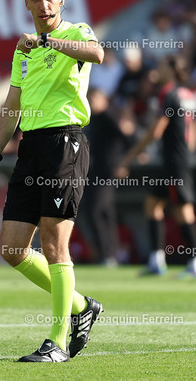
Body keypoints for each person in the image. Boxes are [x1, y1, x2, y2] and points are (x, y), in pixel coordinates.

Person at [0, 0, 104, 363]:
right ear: (27, 4)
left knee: (54, 244)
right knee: (12, 249)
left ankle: (58, 342)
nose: (44, 4)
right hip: (30, 147)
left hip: (65, 142)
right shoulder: (23, 50)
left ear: (61, 0)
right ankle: (82, 306)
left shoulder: (77, 32)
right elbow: (12, 104)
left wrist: (48, 41)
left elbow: (97, 54)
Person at [116, 55, 196, 279]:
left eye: (162, 66)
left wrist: (128, 158)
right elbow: (192, 131)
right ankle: (156, 260)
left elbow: (155, 132)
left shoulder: (168, 93)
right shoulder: (188, 94)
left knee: (183, 211)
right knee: (152, 204)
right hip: (180, 159)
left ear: (172, 70)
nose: (158, 70)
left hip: (174, 162)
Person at [81, 89, 128, 266]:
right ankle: (109, 253)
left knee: (95, 209)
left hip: (107, 172)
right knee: (105, 211)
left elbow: (125, 138)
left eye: (95, 98)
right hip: (95, 171)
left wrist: (122, 163)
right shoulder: (92, 119)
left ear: (104, 100)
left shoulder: (108, 117)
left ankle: (108, 253)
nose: (92, 102)